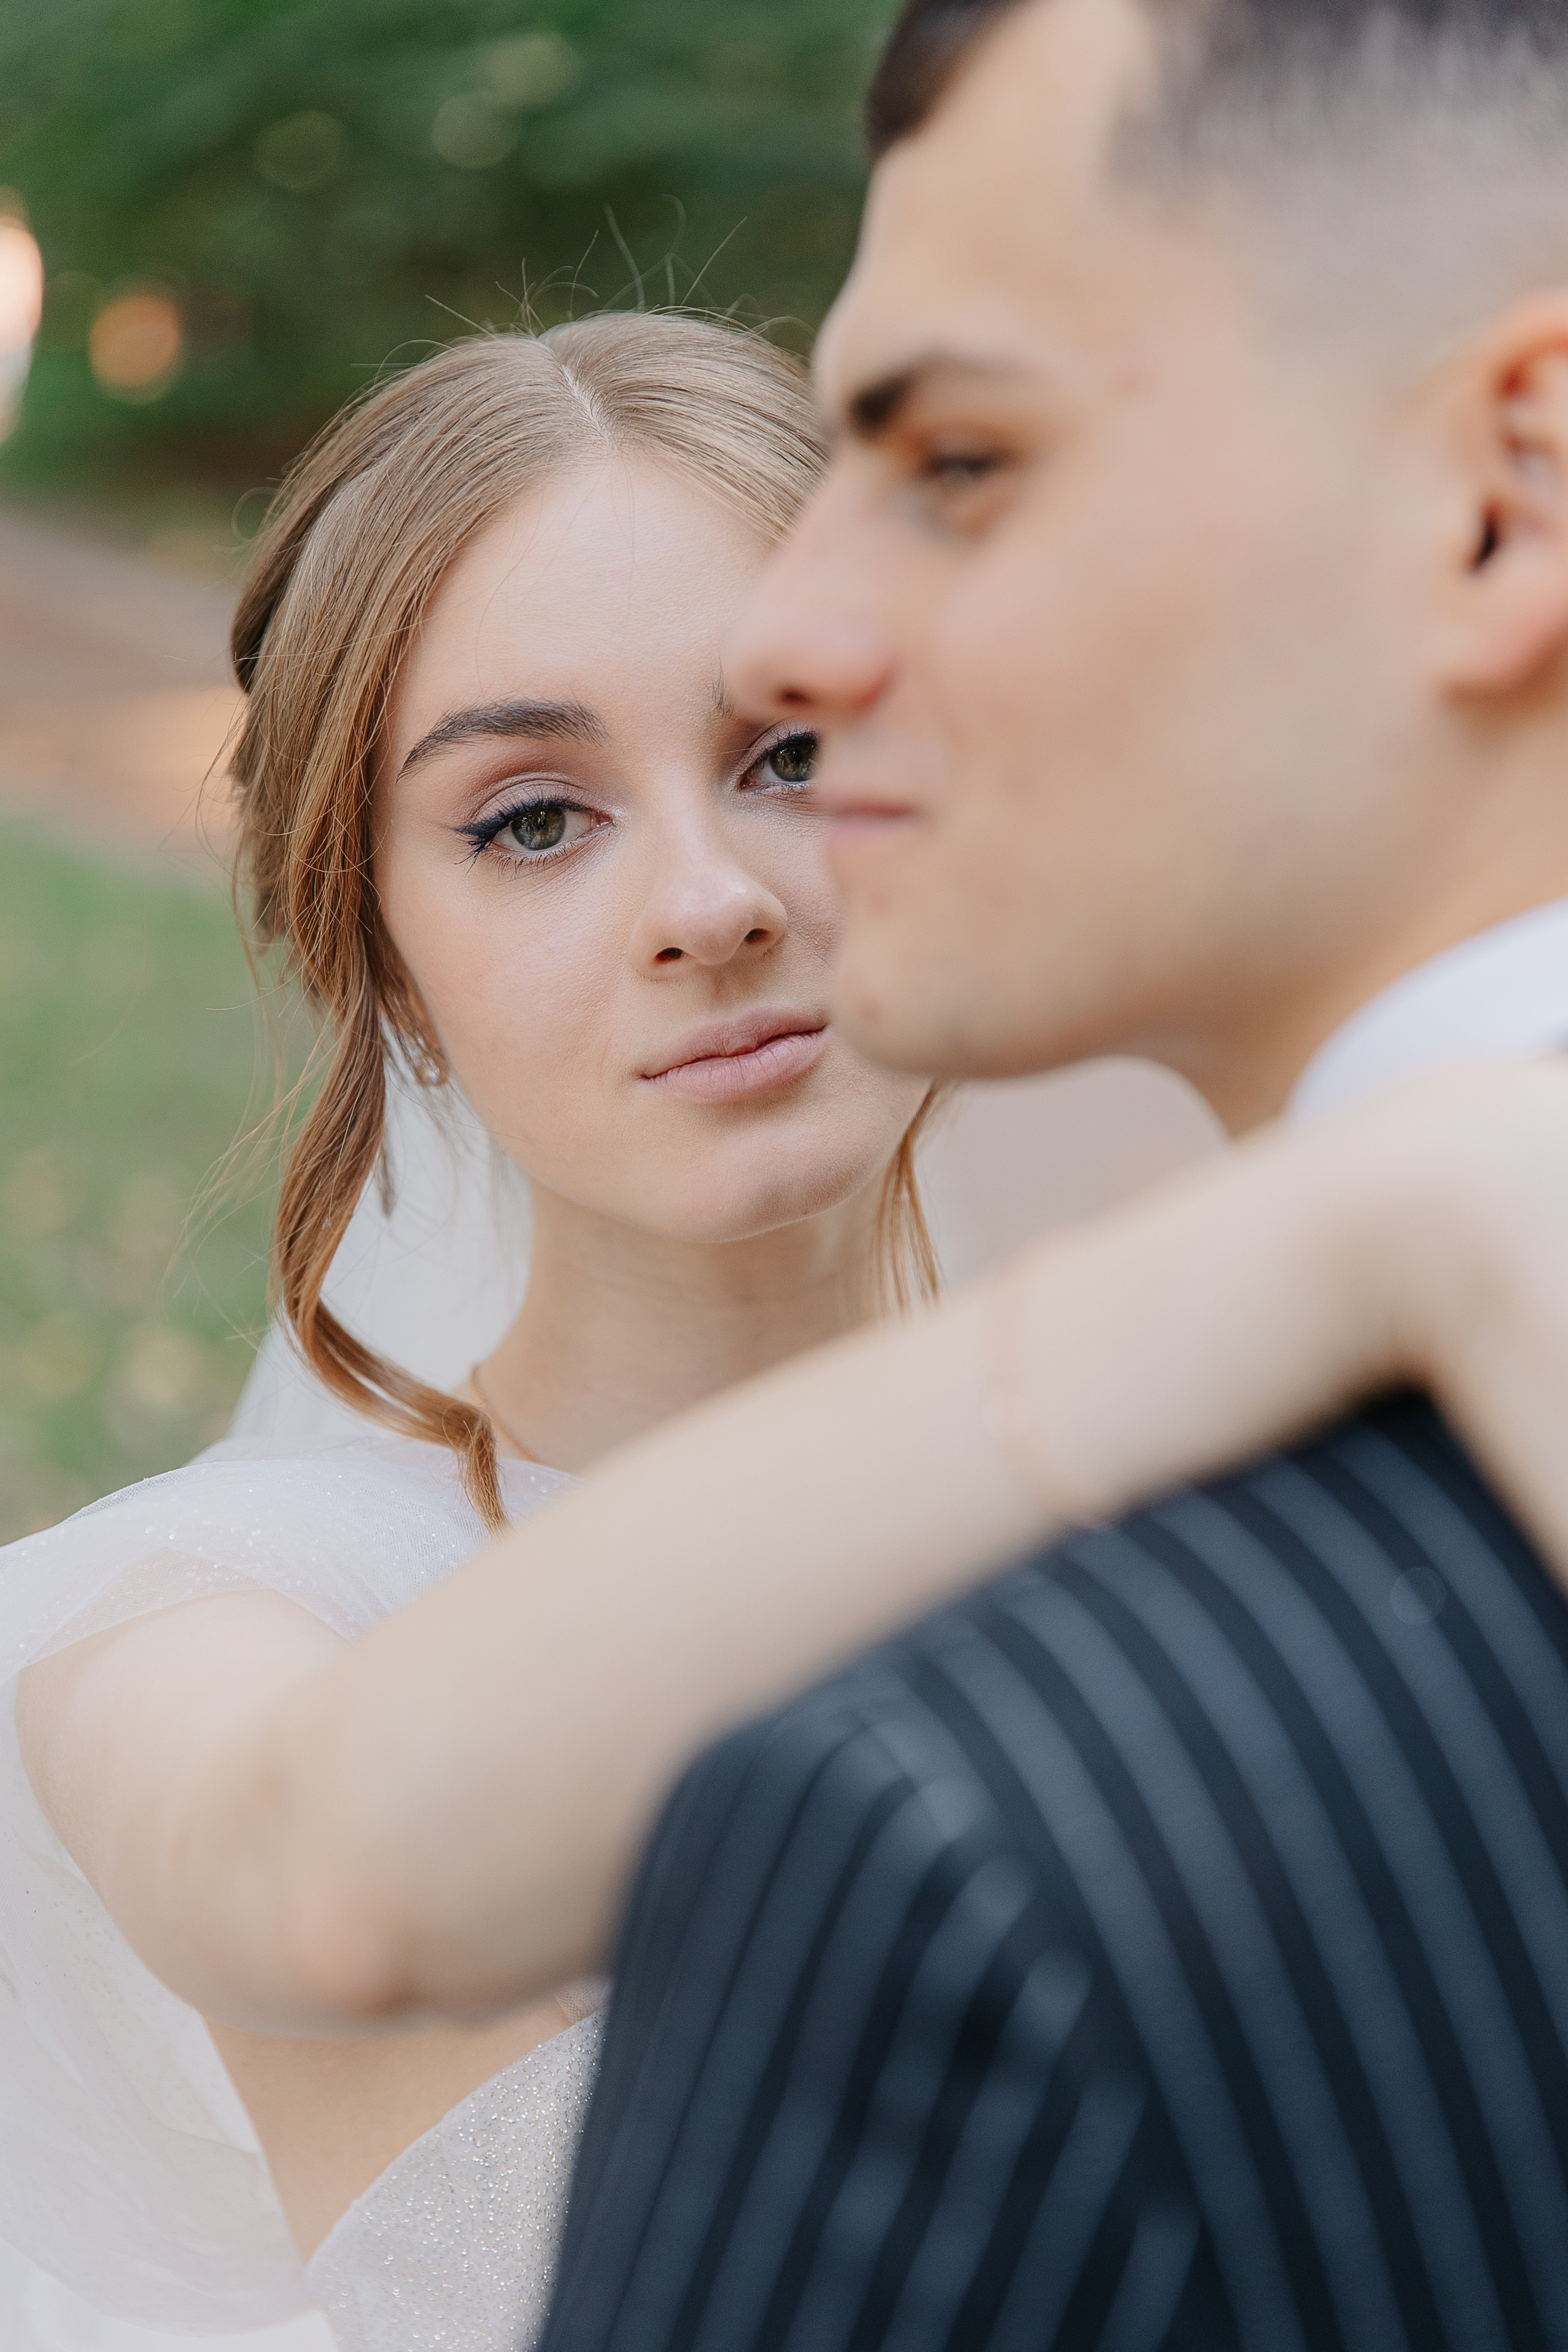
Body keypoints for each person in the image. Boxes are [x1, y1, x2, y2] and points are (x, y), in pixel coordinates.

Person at [6, 303, 1568, 2352]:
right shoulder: (182, 1630)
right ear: (379, 960)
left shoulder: (1292, 1525)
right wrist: (1348, 1230)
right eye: (533, 821)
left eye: (793, 756)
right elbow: (313, 1874)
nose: (712, 898)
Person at [517, 1, 1568, 2346]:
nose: (791, 637)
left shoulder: (972, 1829)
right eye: (530, 820)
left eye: (960, 459)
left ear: (1512, 486)